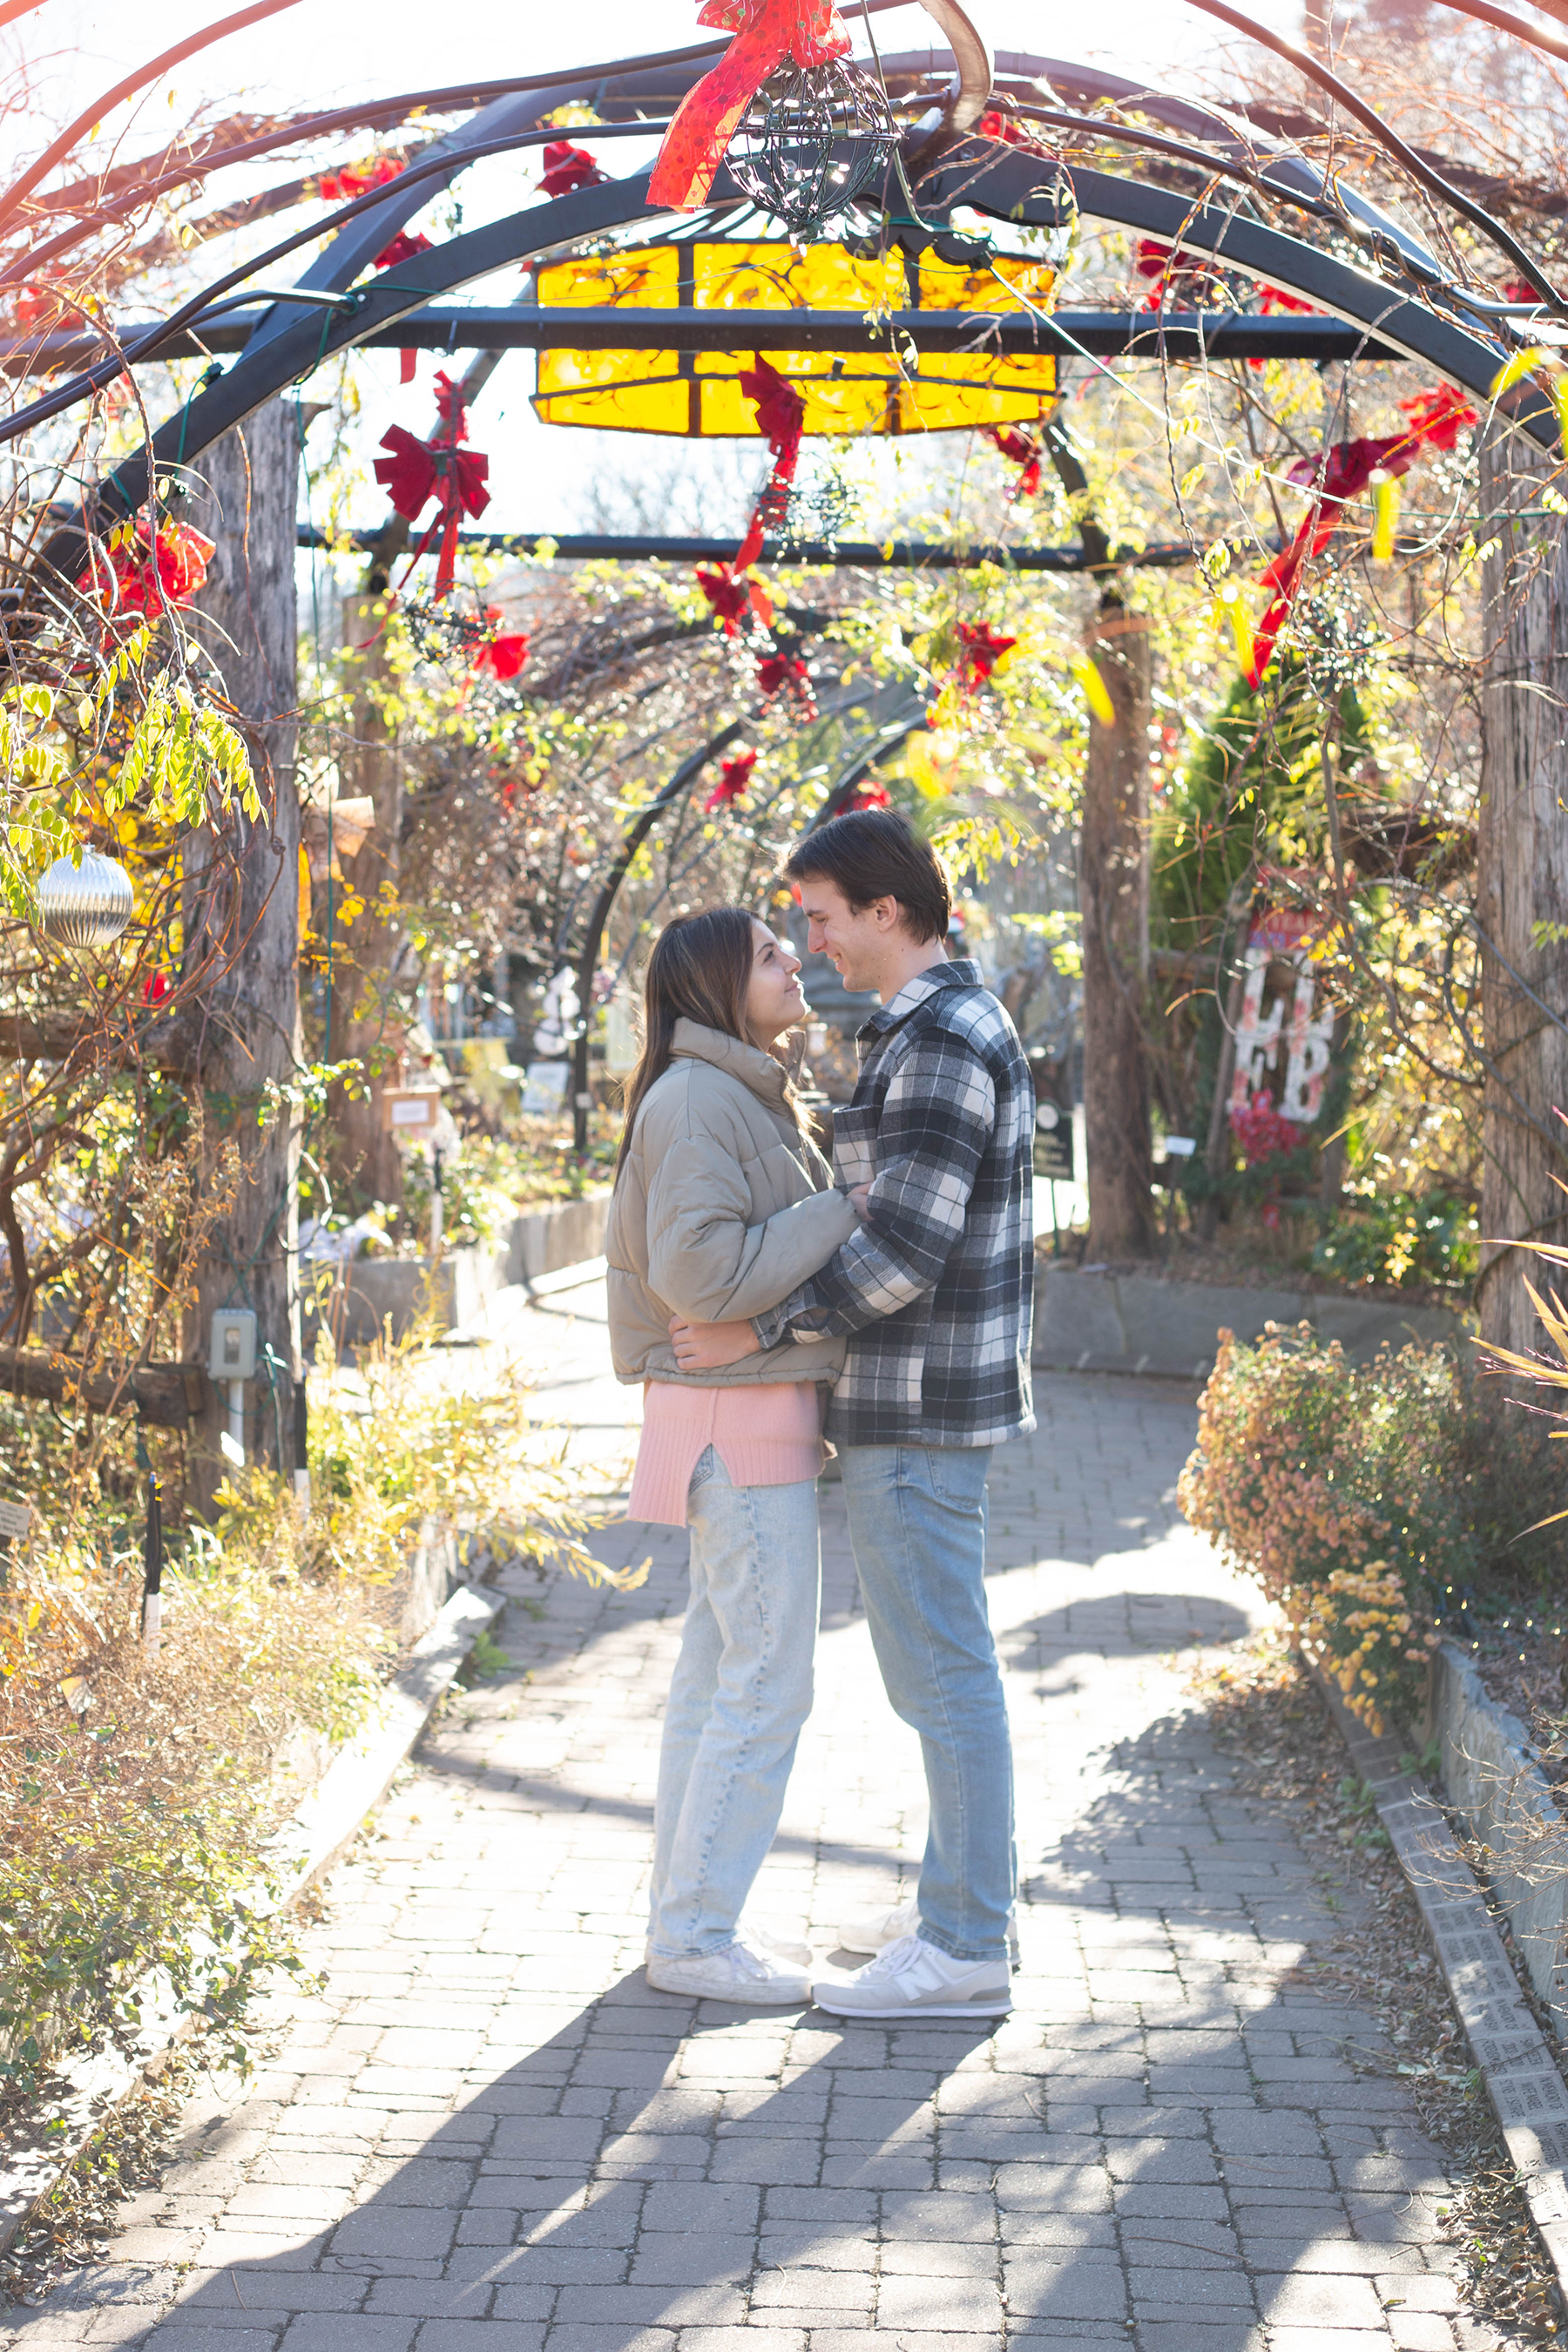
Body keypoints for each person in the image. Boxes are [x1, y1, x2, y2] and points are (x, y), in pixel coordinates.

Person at [669, 811, 1036, 2020]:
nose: (812, 941)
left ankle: (967, 1945)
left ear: (887, 910)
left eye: (820, 917)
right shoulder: (924, 1031)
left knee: (942, 1676)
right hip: (911, 1404)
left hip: (919, 1406)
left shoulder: (941, 1038)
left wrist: (757, 1333)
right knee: (938, 1672)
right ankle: (959, 1916)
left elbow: (903, 1251)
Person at [605, 906, 863, 2006]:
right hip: (738, 1430)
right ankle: (698, 1936)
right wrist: (841, 1212)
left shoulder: (723, 1089)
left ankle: (685, 1921)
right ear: (718, 986)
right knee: (766, 1686)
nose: (793, 958)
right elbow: (699, 1276)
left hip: (734, 1422)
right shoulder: (706, 1098)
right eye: (767, 953)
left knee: (721, 1683)